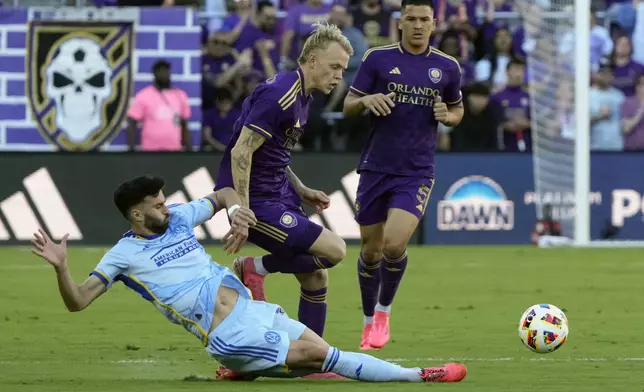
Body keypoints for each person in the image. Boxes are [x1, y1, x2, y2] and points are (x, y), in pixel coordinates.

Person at [30, 176, 468, 383]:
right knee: (322, 356)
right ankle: (419, 376)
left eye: (166, 203)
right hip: (227, 332)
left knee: (315, 360)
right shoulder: (122, 256)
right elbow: (79, 301)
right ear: (137, 215)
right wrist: (62, 267)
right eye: (158, 206)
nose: (168, 208)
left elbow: (221, 193)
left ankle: (248, 370)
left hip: (252, 309)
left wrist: (238, 213)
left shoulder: (180, 219)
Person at [215, 23, 351, 339]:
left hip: (279, 193)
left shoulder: (302, 96)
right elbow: (241, 151)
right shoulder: (280, 95)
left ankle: (313, 361)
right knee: (336, 250)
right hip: (256, 200)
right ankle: (256, 268)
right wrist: (243, 211)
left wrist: (300, 188)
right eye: (335, 67)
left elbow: (273, 151)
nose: (339, 76)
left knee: (315, 277)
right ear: (312, 60)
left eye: (342, 69)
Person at [342, 0, 464, 350]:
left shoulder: (447, 67)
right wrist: (367, 101)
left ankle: (383, 313)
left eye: (424, 19)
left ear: (434, 23)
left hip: (416, 172)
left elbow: (457, 108)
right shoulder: (377, 59)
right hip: (376, 167)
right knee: (370, 251)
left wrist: (449, 116)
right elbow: (349, 104)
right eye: (411, 18)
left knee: (394, 244)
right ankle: (367, 322)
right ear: (400, 22)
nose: (417, 25)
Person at [127, 60, 192, 151]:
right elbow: (131, 122)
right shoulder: (143, 95)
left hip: (174, 151)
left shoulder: (180, 95)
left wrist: (189, 150)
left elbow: (184, 124)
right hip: (150, 152)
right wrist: (131, 149)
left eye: (166, 71)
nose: (164, 74)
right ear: (154, 74)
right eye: (160, 71)